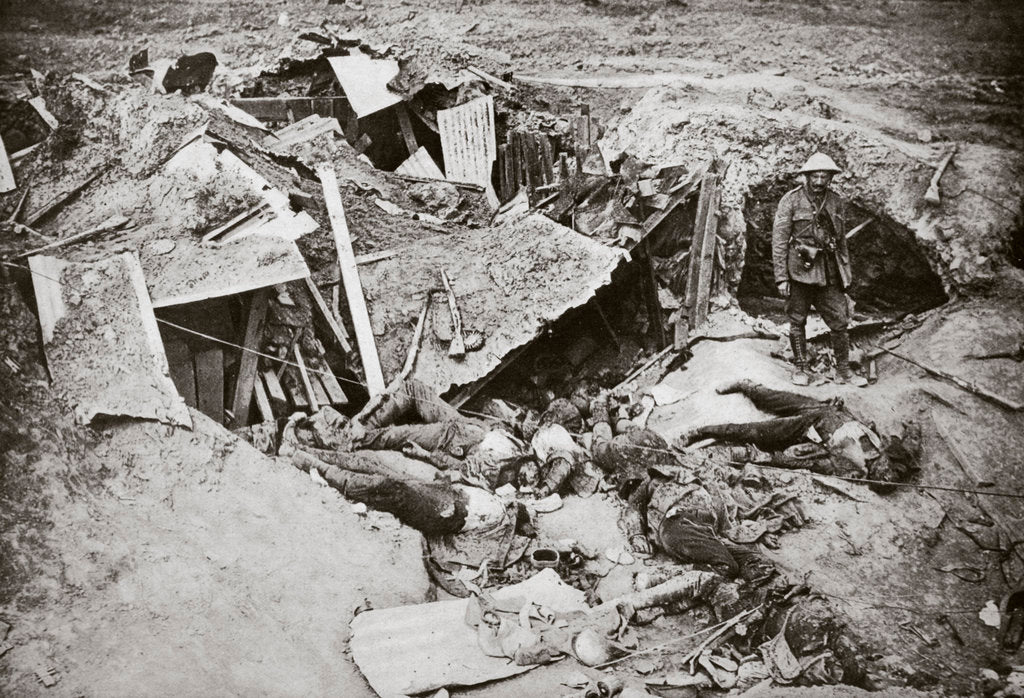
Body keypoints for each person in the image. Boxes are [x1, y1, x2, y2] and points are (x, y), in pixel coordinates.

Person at [676, 379, 921, 489]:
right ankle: (746, 385)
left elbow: (802, 461)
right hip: (825, 409)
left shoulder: (847, 466)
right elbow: (910, 444)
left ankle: (700, 432)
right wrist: (913, 429)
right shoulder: (894, 454)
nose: (882, 465)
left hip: (805, 428)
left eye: (879, 472)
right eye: (885, 466)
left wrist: (775, 458)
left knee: (753, 432)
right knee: (771, 398)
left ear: (871, 475)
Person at [773, 153, 867, 387]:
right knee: (797, 321)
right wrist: (781, 278)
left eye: (824, 176)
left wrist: (845, 272)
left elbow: (841, 241)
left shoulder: (835, 201)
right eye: (814, 176)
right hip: (799, 271)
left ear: (830, 178)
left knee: (840, 321)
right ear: (806, 176)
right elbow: (779, 241)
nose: (818, 181)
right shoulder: (791, 200)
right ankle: (801, 368)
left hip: (828, 271)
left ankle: (843, 370)